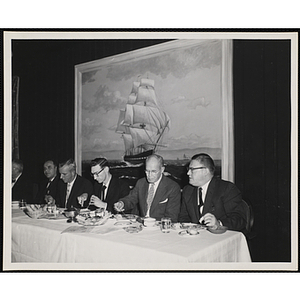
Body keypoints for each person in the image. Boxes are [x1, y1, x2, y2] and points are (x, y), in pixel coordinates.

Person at [178, 153, 247, 231]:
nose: (188, 173)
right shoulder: (188, 190)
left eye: (192, 169)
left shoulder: (227, 189)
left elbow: (239, 219)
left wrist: (218, 223)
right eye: (188, 169)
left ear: (205, 171)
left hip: (222, 236)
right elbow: (183, 218)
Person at [114, 154, 181, 222]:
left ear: (162, 170)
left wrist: (150, 222)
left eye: (153, 171)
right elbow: (131, 199)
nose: (149, 175)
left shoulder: (172, 187)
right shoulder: (141, 183)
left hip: (159, 227)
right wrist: (122, 203)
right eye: (147, 171)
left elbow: (172, 217)